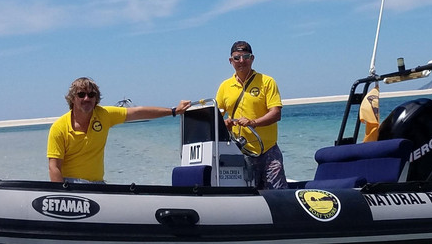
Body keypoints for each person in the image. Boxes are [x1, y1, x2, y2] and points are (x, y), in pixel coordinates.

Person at [47, 77, 191, 182]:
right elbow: (54, 168)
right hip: (70, 185)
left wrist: (173, 111)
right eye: (81, 94)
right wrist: (63, 198)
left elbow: (138, 112)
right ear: (72, 99)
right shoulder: (59, 128)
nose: (86, 98)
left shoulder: (104, 115)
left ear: (96, 99)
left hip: (98, 185)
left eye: (91, 95)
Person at [215, 40, 287, 189]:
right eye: (237, 58)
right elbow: (216, 117)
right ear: (231, 61)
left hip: (268, 150)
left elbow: (276, 113)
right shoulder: (224, 87)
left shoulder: (267, 82)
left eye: (246, 57)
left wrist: (253, 122)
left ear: (252, 59)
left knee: (278, 194)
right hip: (240, 152)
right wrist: (225, 125)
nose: (242, 61)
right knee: (246, 196)